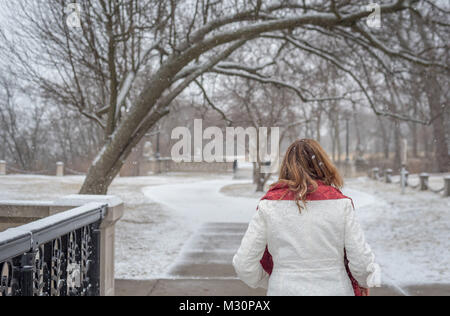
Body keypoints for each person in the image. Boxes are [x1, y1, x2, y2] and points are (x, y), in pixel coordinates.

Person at [233, 139, 380, 296]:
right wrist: (363, 282)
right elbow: (361, 261)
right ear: (322, 164)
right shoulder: (340, 204)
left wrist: (273, 280)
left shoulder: (269, 206)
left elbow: (244, 263)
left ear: (286, 167)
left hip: (284, 289)